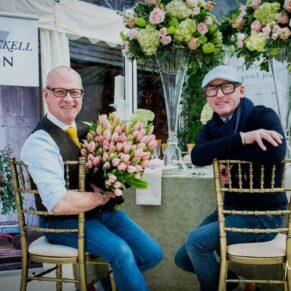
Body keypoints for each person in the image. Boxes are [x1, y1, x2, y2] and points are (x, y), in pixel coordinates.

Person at [21, 65, 163, 291]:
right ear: (46, 95)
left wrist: (127, 168)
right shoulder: (40, 141)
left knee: (151, 254)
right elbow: (58, 203)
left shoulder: (87, 129)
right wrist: (101, 198)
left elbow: (103, 171)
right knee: (121, 252)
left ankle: (101, 287)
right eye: (60, 92)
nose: (69, 99)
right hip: (62, 222)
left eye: (75, 92)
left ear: (82, 95)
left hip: (100, 215)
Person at [174, 65, 287, 291]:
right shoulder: (212, 126)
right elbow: (197, 156)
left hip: (264, 216)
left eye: (226, 87)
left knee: (197, 242)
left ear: (241, 90)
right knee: (183, 258)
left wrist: (222, 154)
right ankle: (238, 286)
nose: (220, 95)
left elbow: (276, 153)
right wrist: (244, 139)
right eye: (212, 90)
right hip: (230, 209)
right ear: (207, 97)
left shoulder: (262, 115)